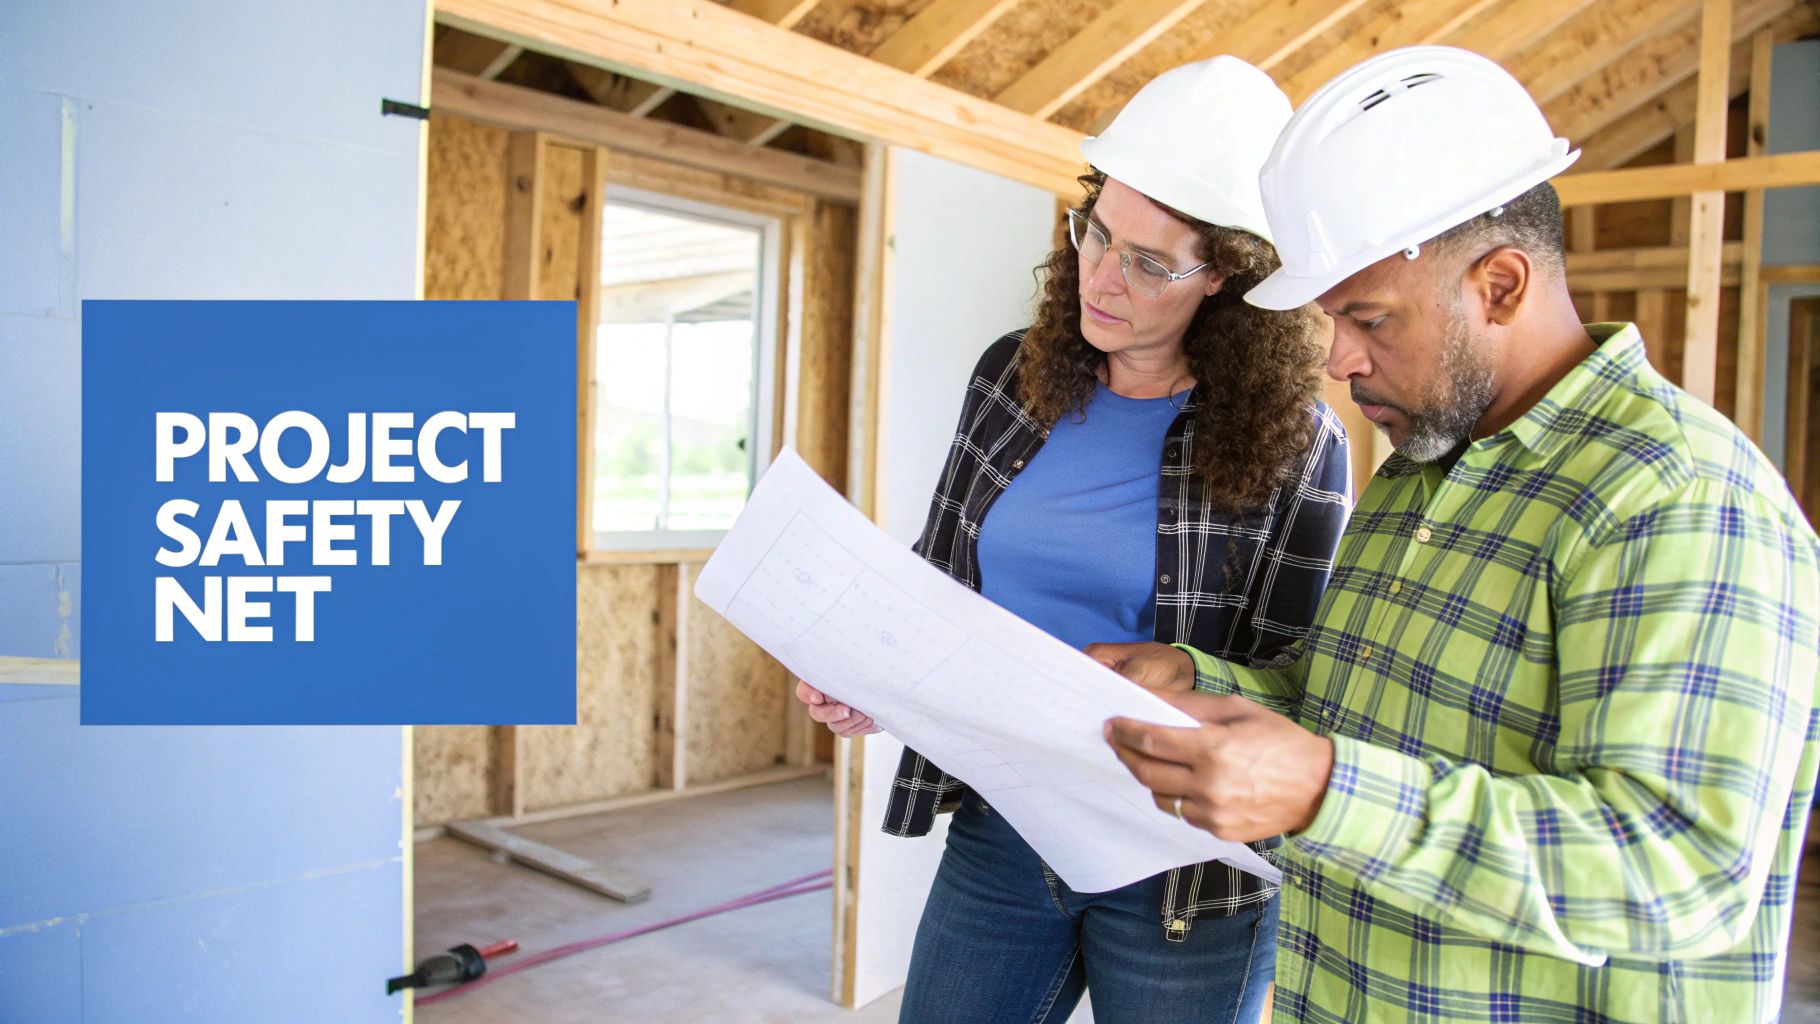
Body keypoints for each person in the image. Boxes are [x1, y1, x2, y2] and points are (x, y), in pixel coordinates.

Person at [1096, 45, 1820, 1023]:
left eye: (1365, 318)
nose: (1336, 361)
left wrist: (1323, 794)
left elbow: (1679, 870)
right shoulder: (1420, 471)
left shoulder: (1675, 498)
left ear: (1500, 285)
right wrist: (1202, 686)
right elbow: (1354, 708)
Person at [794, 57, 1351, 1022]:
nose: (1101, 276)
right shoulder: (1013, 377)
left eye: (1149, 262)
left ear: (1228, 280)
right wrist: (872, 675)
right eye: (1096, 234)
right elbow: (943, 575)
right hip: (1005, 823)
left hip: (1180, 865)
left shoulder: (1298, 446)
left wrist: (1181, 676)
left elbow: (1296, 672)